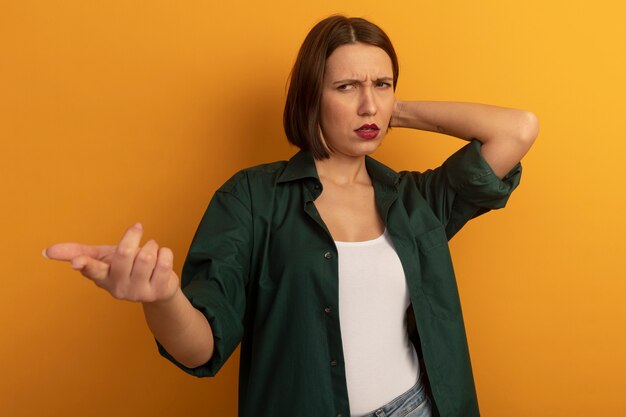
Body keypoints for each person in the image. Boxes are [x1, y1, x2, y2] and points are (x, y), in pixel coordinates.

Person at [44, 15, 538, 417]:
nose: (368, 103)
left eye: (382, 84)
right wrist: (164, 299)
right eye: (345, 86)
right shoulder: (252, 198)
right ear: (309, 96)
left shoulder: (416, 200)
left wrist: (390, 108)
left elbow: (518, 129)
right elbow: (198, 350)